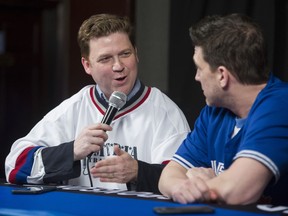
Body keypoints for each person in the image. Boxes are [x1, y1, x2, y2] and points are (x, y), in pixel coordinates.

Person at [5, 14, 190, 193]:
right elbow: (14, 166)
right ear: (87, 65)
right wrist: (71, 152)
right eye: (105, 58)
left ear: (136, 54)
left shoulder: (166, 112)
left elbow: (186, 180)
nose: (118, 66)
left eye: (125, 54)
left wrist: (138, 172)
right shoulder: (73, 108)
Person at [158, 13, 288, 205]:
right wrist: (182, 186)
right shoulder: (214, 111)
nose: (196, 77)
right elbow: (168, 175)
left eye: (199, 68)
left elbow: (240, 191)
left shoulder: (280, 104)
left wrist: (206, 183)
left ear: (222, 75)